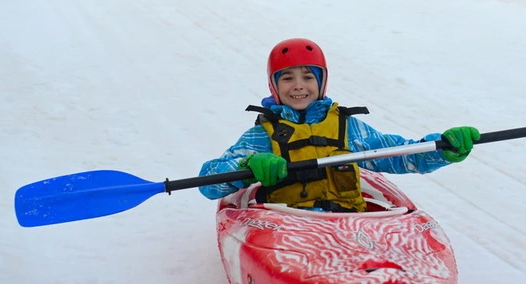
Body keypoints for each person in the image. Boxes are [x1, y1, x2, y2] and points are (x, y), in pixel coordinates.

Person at [198, 38, 480, 212]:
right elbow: (209, 182)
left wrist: (443, 147)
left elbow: (399, 155)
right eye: (287, 78)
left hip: (348, 222)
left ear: (321, 83)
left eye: (308, 77)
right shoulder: (262, 135)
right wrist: (247, 166)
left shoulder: (348, 128)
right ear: (274, 85)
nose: (299, 86)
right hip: (287, 225)